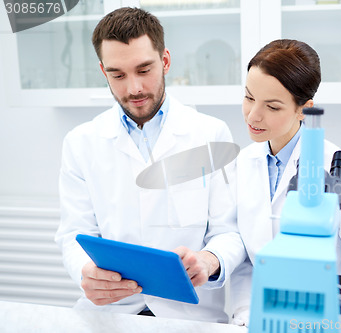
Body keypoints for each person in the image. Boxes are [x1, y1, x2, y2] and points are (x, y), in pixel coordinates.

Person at [54, 7, 245, 322]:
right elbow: (74, 233)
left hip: (189, 316)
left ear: (165, 61)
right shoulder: (81, 142)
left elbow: (230, 231)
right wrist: (86, 272)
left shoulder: (211, 134)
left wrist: (209, 260)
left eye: (144, 70)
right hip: (110, 313)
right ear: (104, 72)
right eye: (118, 75)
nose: (134, 89)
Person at [230, 39, 341, 328]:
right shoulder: (243, 163)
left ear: (304, 110)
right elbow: (251, 262)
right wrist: (246, 318)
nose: (253, 115)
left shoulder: (338, 168)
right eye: (249, 97)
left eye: (272, 107)